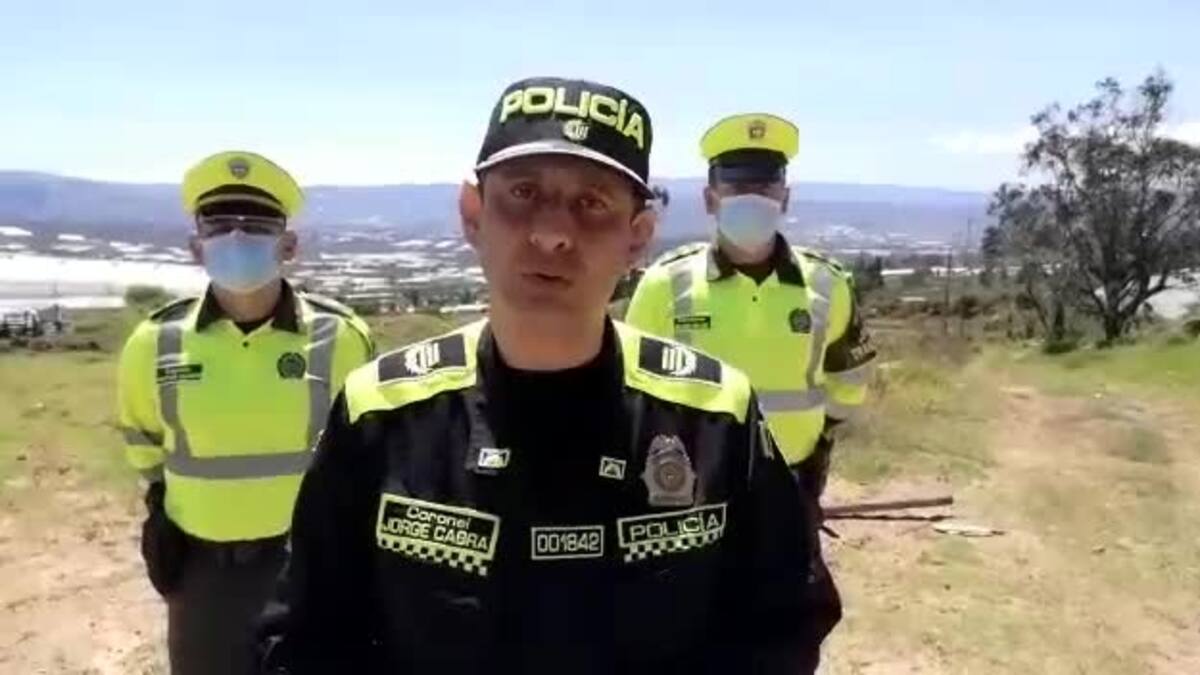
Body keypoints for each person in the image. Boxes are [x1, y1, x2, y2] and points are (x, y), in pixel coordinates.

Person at [257, 77, 840, 674]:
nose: (553, 233)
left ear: (637, 237)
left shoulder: (713, 413)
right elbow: (306, 637)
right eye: (524, 192)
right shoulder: (383, 412)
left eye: (593, 203)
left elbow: (784, 619)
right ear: (473, 215)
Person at [116, 150, 374, 675]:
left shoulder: (342, 338)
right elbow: (144, 445)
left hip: (312, 565)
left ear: (288, 245)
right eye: (218, 225)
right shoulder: (154, 343)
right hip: (204, 573)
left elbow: (369, 448)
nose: (236, 238)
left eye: (256, 225)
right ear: (196, 247)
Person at [625, 113, 876, 496]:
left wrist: (819, 440)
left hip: (794, 478)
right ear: (710, 199)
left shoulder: (828, 284)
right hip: (693, 487)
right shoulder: (665, 284)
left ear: (785, 198)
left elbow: (850, 380)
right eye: (738, 186)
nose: (753, 198)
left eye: (764, 186)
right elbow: (631, 390)